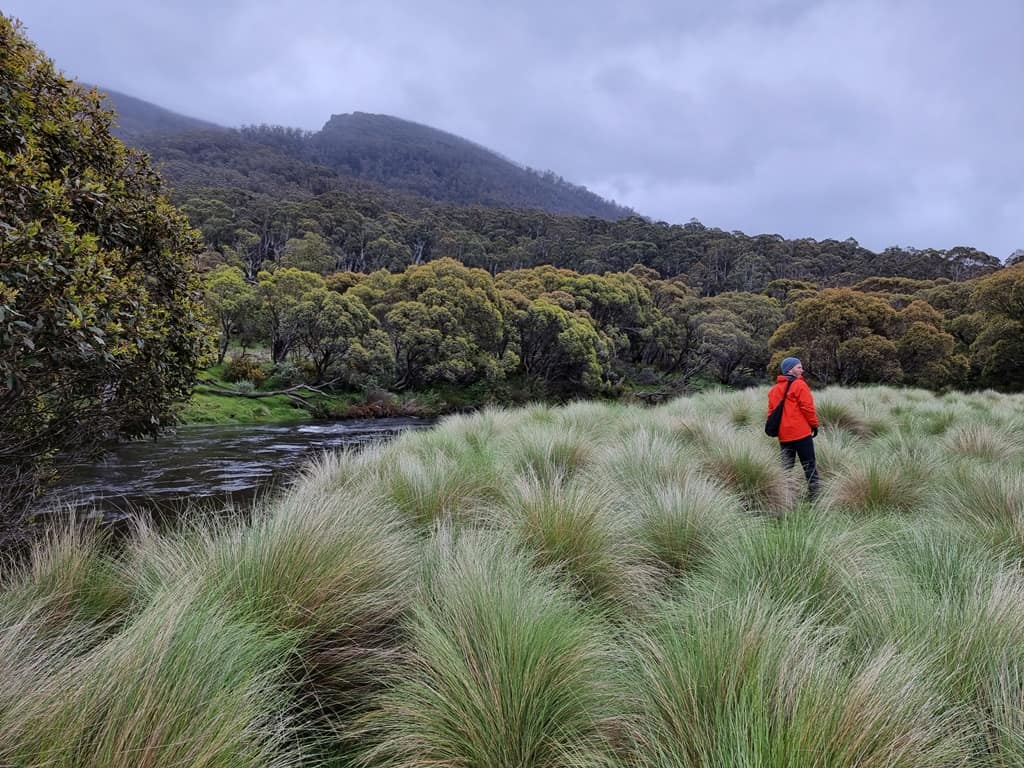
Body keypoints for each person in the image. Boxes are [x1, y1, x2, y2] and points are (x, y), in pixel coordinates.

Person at [767, 357, 820, 499]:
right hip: (801, 434)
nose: (802, 370)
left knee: (786, 469)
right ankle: (815, 498)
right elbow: (808, 408)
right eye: (799, 367)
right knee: (810, 466)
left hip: (784, 436)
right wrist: (814, 425)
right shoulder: (800, 385)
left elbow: (771, 413)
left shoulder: (773, 390)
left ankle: (783, 497)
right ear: (790, 369)